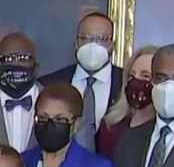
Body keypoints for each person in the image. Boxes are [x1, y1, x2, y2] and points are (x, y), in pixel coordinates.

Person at [39, 11, 125, 152]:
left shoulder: (125, 83)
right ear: (76, 42)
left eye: (101, 38)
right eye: (85, 38)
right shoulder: (50, 84)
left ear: (112, 45)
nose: (92, 45)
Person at [98, 45, 157, 159]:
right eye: (131, 75)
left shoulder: (164, 131)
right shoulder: (111, 126)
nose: (136, 80)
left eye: (145, 76)